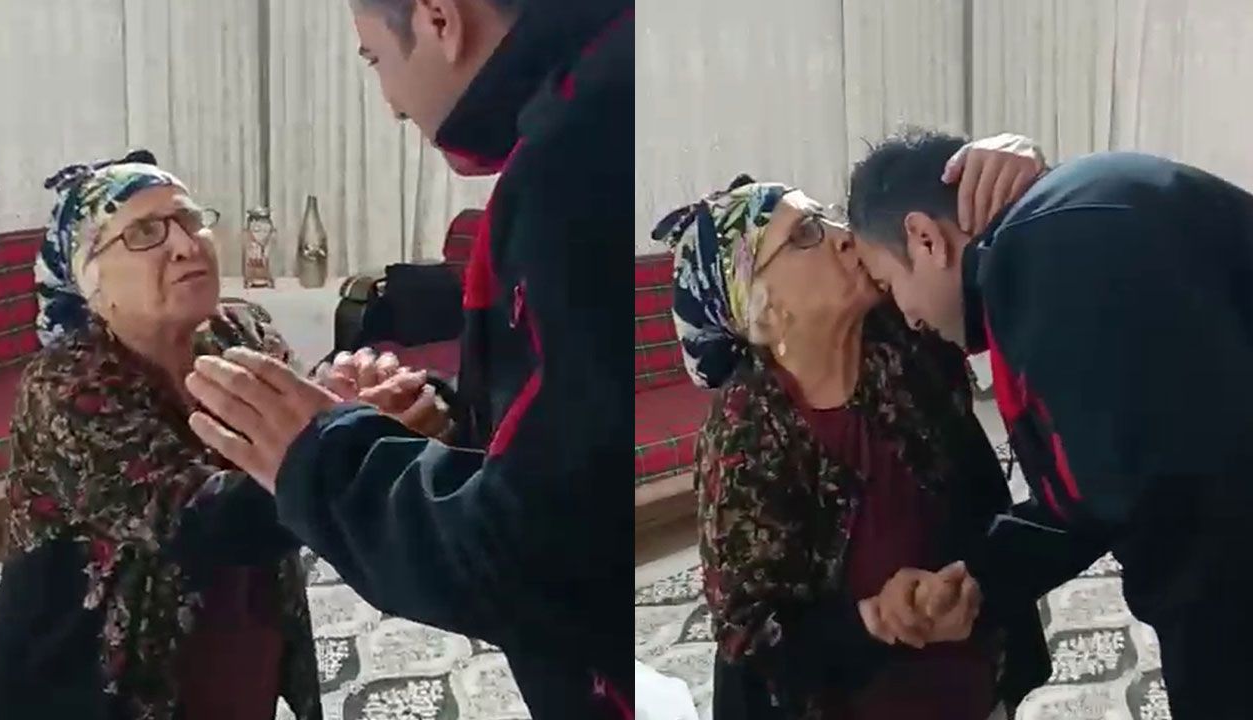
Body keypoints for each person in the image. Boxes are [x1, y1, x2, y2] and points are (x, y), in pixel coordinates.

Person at [181, 0, 634, 717]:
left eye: (374, 59)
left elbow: (540, 551)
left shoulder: (576, 157)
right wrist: (433, 418)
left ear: (439, 19)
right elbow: (574, 424)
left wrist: (332, 455)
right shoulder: (596, 98)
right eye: (143, 234)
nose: (392, 105)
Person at [846, 128, 1253, 719]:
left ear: (925, 238)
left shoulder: (1043, 261)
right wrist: (982, 576)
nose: (907, 316)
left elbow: (1171, 519)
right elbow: (1093, 486)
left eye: (890, 284)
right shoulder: (1049, 232)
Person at [656, 136, 1048, 720]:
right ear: (765, 311)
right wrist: (875, 618)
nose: (844, 235)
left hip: (975, 679)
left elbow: (983, 253)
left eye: (826, 216)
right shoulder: (746, 431)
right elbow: (751, 635)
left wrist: (1023, 171)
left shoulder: (908, 334)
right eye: (804, 235)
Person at [0, 154, 325, 720]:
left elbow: (304, 424)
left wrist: (355, 399)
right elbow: (202, 521)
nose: (186, 245)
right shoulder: (67, 386)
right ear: (94, 283)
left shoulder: (242, 331)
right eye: (144, 233)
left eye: (189, 220)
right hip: (80, 686)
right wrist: (339, 446)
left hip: (234, 643)